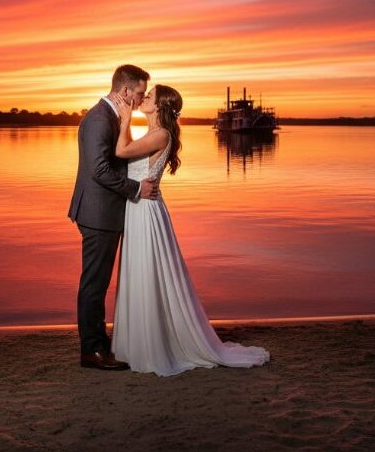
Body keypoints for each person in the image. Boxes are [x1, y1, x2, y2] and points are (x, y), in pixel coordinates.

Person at [110, 84, 270, 376]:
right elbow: (131, 158)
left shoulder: (161, 135)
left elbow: (121, 151)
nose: (143, 99)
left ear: (160, 107)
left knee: (148, 272)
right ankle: (141, 340)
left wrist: (123, 118)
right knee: (142, 272)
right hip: (139, 207)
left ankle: (154, 344)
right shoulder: (152, 134)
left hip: (145, 212)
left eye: (149, 96)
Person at [68, 64, 160, 370]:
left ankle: (100, 341)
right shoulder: (98, 119)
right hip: (97, 213)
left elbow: (120, 157)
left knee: (99, 281)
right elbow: (99, 170)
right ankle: (91, 351)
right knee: (94, 283)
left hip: (106, 210)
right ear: (124, 91)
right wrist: (137, 188)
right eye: (139, 93)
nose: (140, 98)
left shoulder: (114, 117)